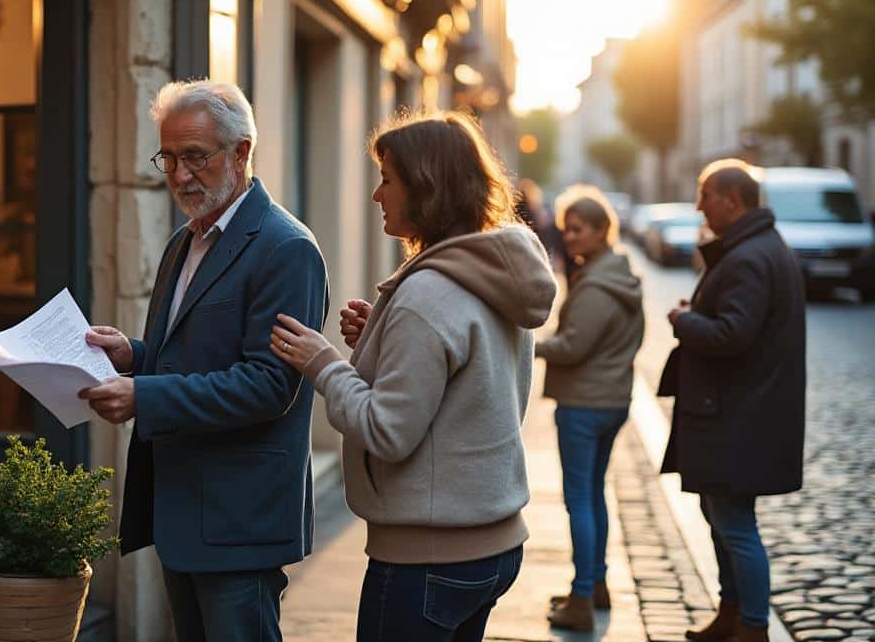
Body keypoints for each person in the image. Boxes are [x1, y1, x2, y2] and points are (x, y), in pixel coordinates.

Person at [270, 111, 557, 642]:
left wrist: (324, 364)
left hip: (429, 557)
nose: (377, 195)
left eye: (387, 179)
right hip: (490, 545)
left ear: (426, 188)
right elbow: (471, 390)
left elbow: (386, 432)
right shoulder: (493, 271)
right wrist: (378, 343)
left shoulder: (429, 295)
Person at [79, 80, 329, 641]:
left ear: (241, 152)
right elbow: (191, 357)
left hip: (240, 520)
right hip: (182, 510)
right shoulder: (186, 240)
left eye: (195, 156)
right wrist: (134, 355)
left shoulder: (286, 248)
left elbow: (268, 385)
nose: (179, 175)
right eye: (168, 158)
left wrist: (142, 394)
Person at [663, 159, 805, 642]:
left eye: (705, 193)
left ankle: (752, 627)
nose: (699, 203)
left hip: (739, 415)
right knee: (720, 518)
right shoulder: (756, 248)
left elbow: (733, 333)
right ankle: (732, 611)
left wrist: (684, 320)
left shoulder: (749, 257)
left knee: (736, 525)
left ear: (732, 199)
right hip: (737, 412)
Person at [536, 185, 645, 631]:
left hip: (584, 403)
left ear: (603, 231)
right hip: (611, 400)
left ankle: (582, 597)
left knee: (579, 499)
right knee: (593, 495)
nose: (570, 237)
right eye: (567, 229)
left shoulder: (598, 285)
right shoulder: (615, 275)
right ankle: (594, 582)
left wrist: (531, 345)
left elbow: (573, 347)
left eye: (578, 229)